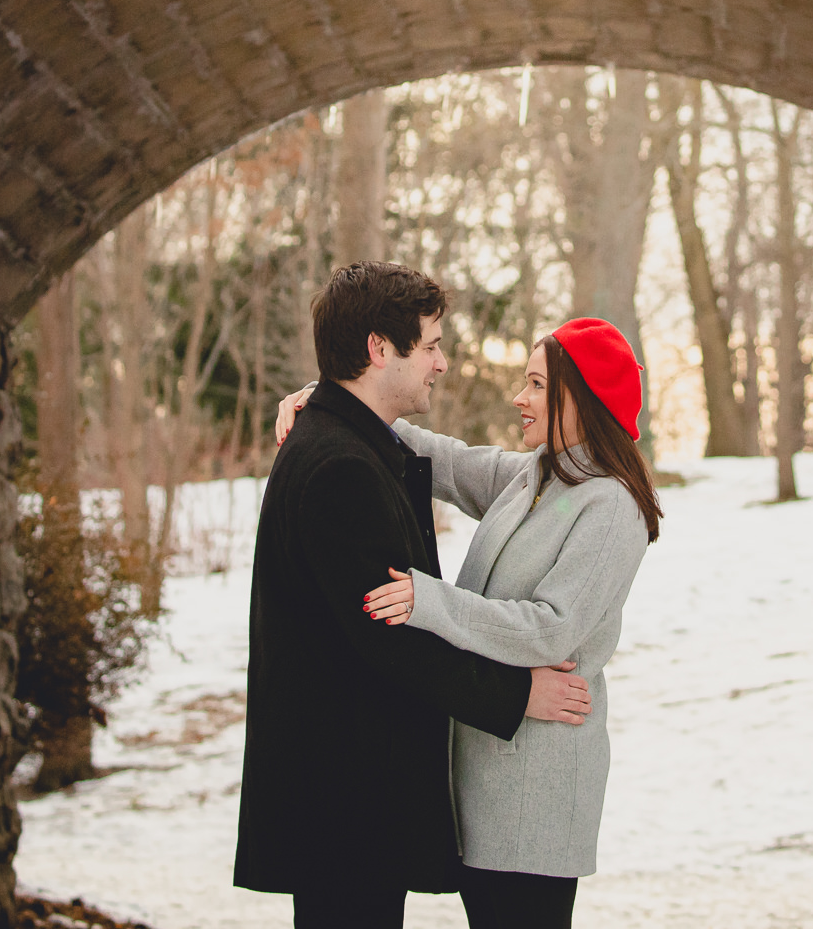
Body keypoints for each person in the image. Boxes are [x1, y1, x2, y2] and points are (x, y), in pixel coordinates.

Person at [234, 262, 595, 929]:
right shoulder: (342, 466)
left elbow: (462, 469)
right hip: (345, 802)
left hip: (343, 801)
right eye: (429, 345)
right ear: (378, 348)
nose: (442, 363)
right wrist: (518, 695)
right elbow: (390, 642)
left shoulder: (347, 441)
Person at [274, 316, 663, 929]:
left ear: (580, 398)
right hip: (485, 778)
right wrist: (334, 403)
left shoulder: (609, 504)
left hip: (535, 788)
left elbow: (550, 629)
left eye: (538, 385)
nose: (520, 398)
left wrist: (429, 603)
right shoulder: (539, 474)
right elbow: (447, 462)